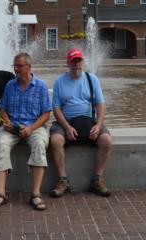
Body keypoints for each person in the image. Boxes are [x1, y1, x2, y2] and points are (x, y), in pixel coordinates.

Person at [0, 52, 51, 211]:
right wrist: (6, 121)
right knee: (0, 144)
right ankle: (1, 194)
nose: (16, 69)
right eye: (14, 65)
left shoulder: (41, 86)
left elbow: (46, 114)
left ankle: (36, 193)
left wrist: (31, 129)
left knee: (39, 144)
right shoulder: (10, 85)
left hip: (34, 127)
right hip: (12, 128)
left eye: (19, 66)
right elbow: (2, 108)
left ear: (29, 67)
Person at [49, 49, 112, 198]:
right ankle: (63, 180)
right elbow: (56, 109)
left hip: (89, 121)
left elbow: (100, 105)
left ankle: (98, 179)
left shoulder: (92, 79)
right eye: (73, 61)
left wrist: (98, 125)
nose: (76, 64)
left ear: (82, 62)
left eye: (79, 61)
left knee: (106, 140)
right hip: (66, 121)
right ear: (68, 63)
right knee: (56, 140)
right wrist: (67, 127)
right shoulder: (59, 82)